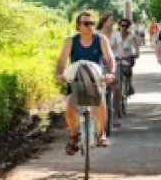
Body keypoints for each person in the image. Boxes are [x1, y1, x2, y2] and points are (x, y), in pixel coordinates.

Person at [55, 11, 115, 154]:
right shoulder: (70, 40)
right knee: (69, 104)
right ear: (78, 25)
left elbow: (110, 58)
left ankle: (101, 134)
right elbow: (62, 60)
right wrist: (58, 74)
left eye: (92, 23)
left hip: (95, 79)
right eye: (86, 23)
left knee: (100, 101)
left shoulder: (101, 39)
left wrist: (111, 73)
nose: (89, 26)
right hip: (76, 79)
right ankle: (74, 135)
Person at [97, 12, 124, 127]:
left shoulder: (116, 34)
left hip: (114, 61)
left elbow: (120, 48)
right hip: (100, 63)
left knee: (117, 88)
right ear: (104, 21)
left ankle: (115, 115)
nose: (112, 22)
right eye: (110, 20)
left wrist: (122, 57)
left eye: (113, 20)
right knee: (96, 89)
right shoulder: (96, 34)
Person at [118, 18, 140, 95]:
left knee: (127, 68)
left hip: (128, 56)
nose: (124, 27)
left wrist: (137, 53)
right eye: (122, 25)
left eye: (126, 26)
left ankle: (130, 85)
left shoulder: (131, 36)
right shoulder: (115, 35)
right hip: (117, 57)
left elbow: (135, 46)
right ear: (119, 26)